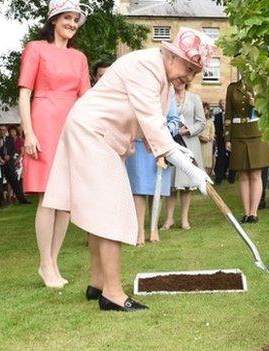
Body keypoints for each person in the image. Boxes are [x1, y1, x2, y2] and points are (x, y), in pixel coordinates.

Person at [42, 27, 214, 311]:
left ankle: (97, 283)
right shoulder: (146, 66)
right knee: (112, 209)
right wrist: (189, 168)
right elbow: (152, 122)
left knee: (100, 209)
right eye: (189, 67)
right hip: (93, 133)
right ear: (171, 56)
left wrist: (180, 152)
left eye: (195, 71)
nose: (190, 76)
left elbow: (151, 125)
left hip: (98, 135)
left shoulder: (161, 77)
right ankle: (112, 293)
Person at [18, 0, 92, 288]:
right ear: (53, 20)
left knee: (66, 202)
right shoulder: (36, 49)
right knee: (48, 197)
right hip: (44, 123)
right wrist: (29, 132)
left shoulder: (80, 58)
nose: (72, 23)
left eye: (76, 19)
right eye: (68, 18)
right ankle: (45, 264)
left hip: (70, 125)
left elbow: (86, 101)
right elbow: (25, 94)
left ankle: (53, 262)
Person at [126, 91, 180, 244]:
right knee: (139, 187)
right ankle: (139, 230)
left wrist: (163, 131)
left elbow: (174, 120)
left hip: (161, 144)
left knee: (157, 187)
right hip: (139, 142)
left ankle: (154, 228)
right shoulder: (137, 86)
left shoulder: (168, 92)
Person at [225, 79, 269, 223]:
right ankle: (246, 212)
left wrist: (256, 105)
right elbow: (228, 114)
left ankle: (254, 212)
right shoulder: (232, 88)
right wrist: (227, 138)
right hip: (238, 134)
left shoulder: (261, 85)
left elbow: (268, 111)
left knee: (255, 173)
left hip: (256, 133)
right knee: (242, 174)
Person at [162, 82, 205, 230]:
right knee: (171, 184)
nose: (178, 83)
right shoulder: (166, 98)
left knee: (186, 184)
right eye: (175, 81)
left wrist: (187, 130)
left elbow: (201, 123)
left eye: (181, 80)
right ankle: (169, 219)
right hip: (171, 143)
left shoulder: (194, 99)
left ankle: (184, 219)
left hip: (189, 144)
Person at [199, 102, 215, 176]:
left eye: (206, 109)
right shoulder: (197, 120)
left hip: (208, 143)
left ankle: (207, 178)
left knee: (208, 161)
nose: (205, 110)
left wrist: (209, 139)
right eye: (203, 109)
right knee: (200, 160)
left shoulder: (210, 121)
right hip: (199, 143)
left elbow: (212, 132)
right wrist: (200, 138)